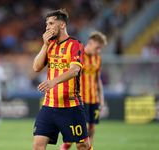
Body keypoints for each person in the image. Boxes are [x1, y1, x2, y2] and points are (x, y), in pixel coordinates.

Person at [32, 9, 93, 150]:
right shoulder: (50, 45)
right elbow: (36, 67)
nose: (47, 27)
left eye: (51, 23)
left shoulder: (75, 44)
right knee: (37, 145)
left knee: (82, 145)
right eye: (46, 24)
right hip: (49, 105)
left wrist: (52, 82)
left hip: (71, 106)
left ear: (62, 25)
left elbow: (74, 70)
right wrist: (45, 45)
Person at [60, 31, 107, 150]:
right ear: (90, 43)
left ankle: (68, 146)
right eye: (97, 47)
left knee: (92, 128)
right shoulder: (79, 56)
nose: (98, 51)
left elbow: (98, 80)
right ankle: (67, 146)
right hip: (80, 98)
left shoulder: (97, 58)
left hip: (93, 98)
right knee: (84, 127)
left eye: (100, 48)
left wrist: (101, 98)